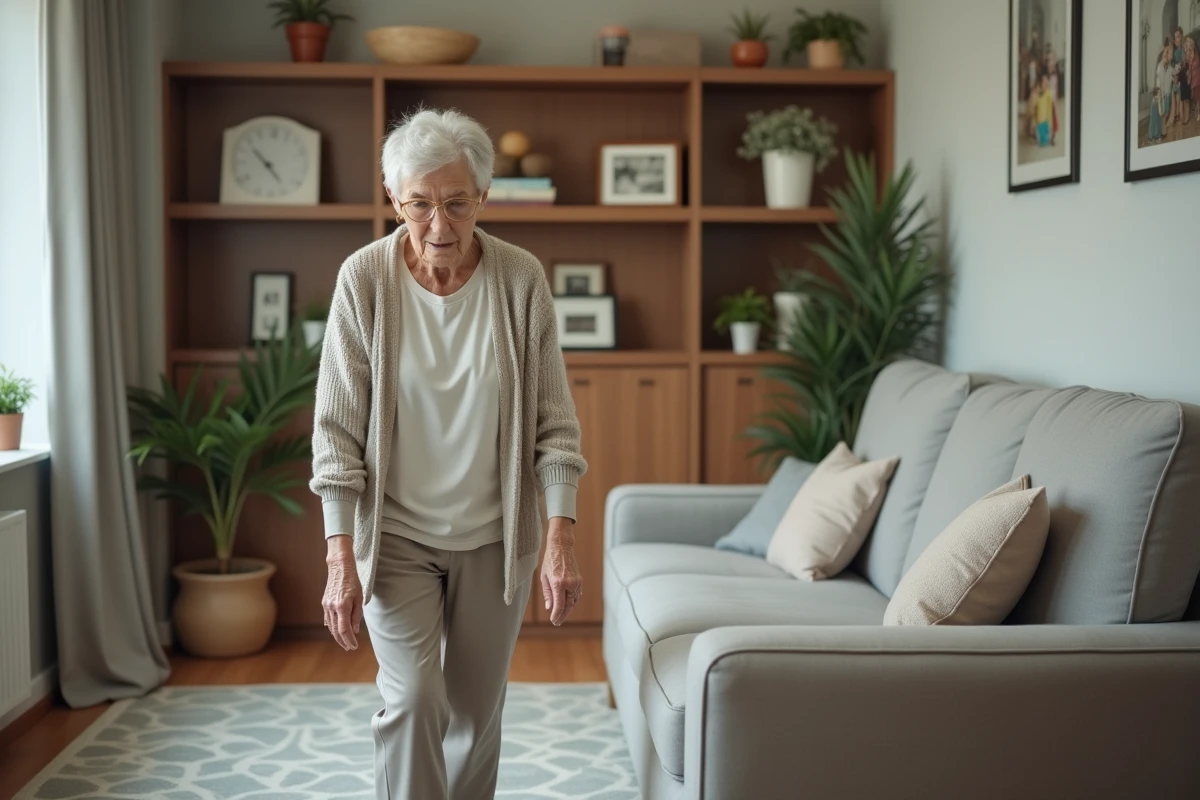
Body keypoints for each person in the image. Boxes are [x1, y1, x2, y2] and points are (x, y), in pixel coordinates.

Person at [309, 107, 588, 800]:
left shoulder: (520, 280)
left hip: (494, 541)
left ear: (484, 196)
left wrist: (558, 539)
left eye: (457, 202)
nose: (439, 225)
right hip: (397, 536)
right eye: (419, 204)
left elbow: (555, 426)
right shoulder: (364, 281)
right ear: (392, 199)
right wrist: (339, 556)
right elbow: (336, 434)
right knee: (413, 704)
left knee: (473, 717)